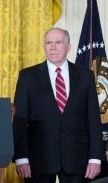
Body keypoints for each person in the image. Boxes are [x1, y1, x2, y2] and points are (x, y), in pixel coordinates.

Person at [13, 27, 104, 183]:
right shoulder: (28, 76)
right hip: (38, 157)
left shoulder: (85, 75)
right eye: (48, 43)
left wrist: (95, 158)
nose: (52, 47)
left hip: (76, 158)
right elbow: (20, 120)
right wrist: (21, 157)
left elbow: (93, 118)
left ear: (68, 47)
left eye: (58, 42)